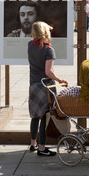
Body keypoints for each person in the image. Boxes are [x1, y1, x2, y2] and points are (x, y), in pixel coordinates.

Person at [28, 21, 68, 156]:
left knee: (35, 116)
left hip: (33, 85)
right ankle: (42, 148)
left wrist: (45, 27)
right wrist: (60, 80)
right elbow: (48, 72)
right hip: (45, 86)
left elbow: (38, 31)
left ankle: (33, 144)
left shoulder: (30, 46)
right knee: (45, 117)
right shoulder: (48, 50)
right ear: (46, 32)